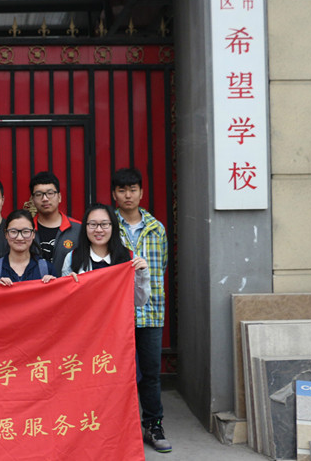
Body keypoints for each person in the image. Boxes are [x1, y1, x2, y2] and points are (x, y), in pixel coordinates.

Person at [111, 168, 171, 453]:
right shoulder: (108, 225)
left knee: (150, 374)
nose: (128, 195)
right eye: (122, 190)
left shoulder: (157, 228)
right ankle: (118, 428)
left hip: (151, 313)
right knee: (115, 373)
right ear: (114, 194)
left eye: (133, 189)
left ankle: (153, 425)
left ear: (141, 192)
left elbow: (162, 266)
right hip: (116, 315)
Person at [60, 202, 151, 308]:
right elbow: (65, 302)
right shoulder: (72, 257)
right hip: (85, 318)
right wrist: (68, 286)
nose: (98, 230)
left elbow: (140, 301)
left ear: (113, 226)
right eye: (93, 224)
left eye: (104, 224)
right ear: (85, 227)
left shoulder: (129, 258)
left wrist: (142, 273)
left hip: (117, 318)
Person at [0, 209, 56, 286]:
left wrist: (52, 286)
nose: (19, 238)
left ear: (33, 234)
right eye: (13, 232)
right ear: (6, 234)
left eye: (25, 232)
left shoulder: (47, 269)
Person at [29, 171, 81, 274]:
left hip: (67, 284)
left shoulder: (78, 229)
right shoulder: (26, 229)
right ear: (33, 200)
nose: (45, 199)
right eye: (39, 194)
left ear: (59, 197)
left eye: (50, 193)